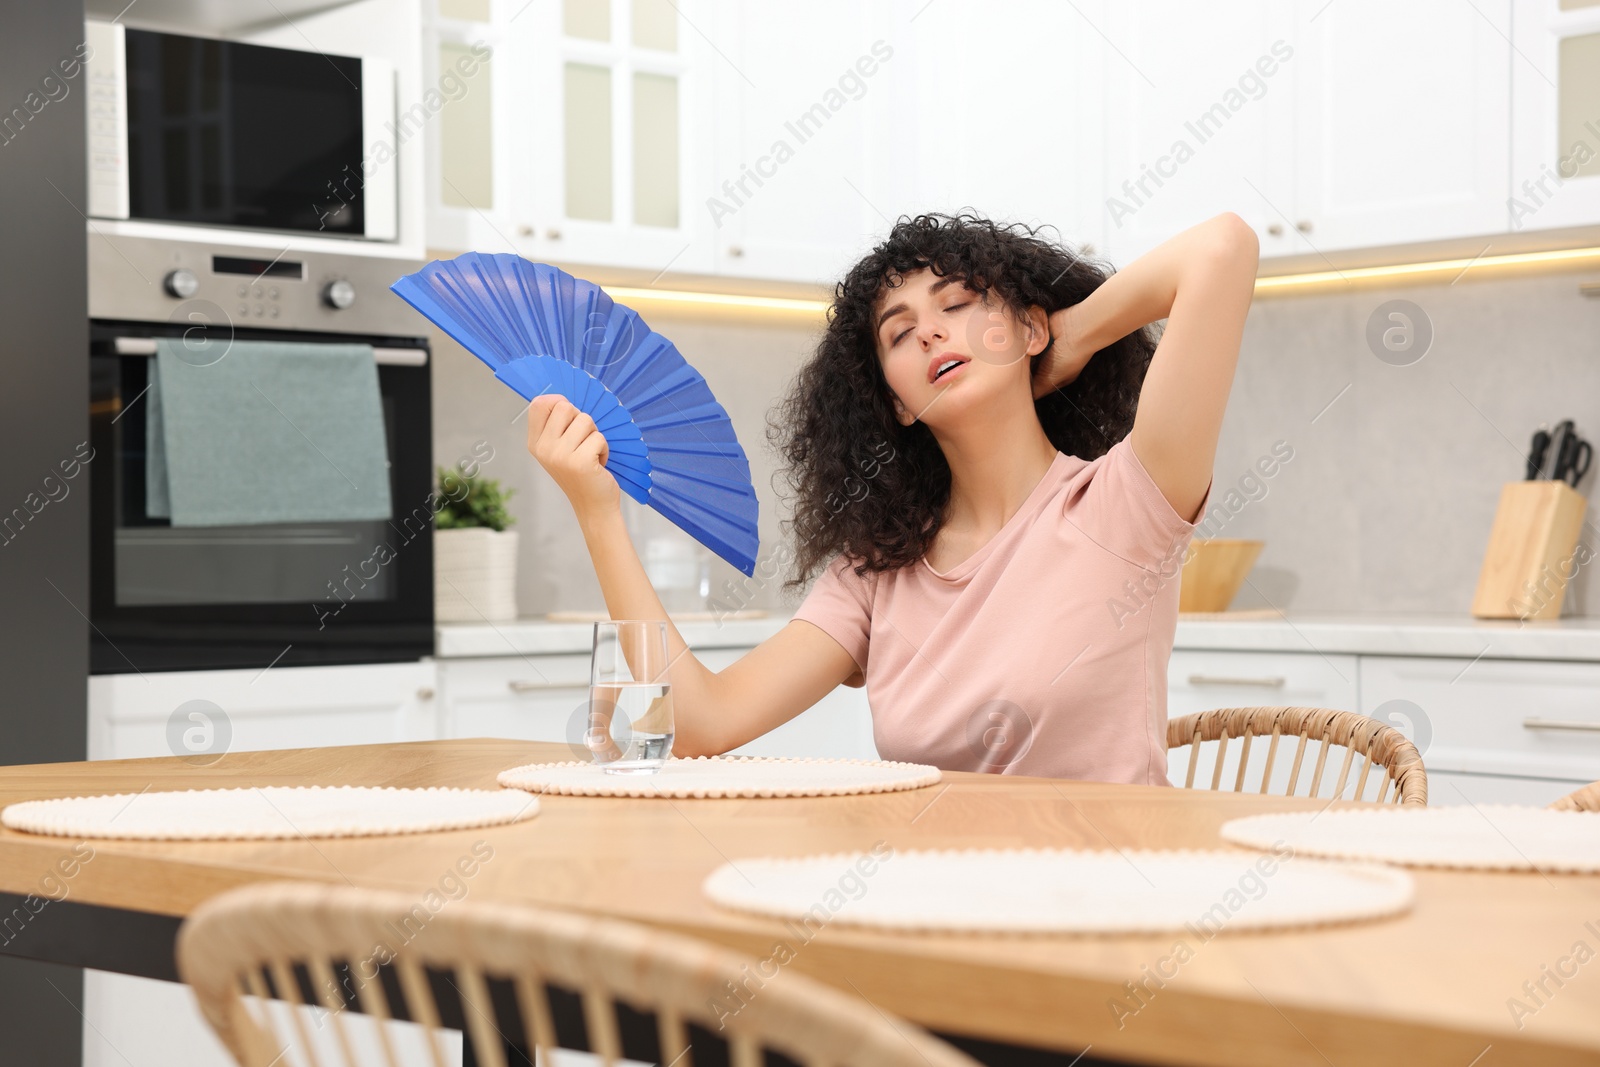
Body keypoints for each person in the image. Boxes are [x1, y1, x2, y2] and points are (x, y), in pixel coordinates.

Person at [525, 210, 1257, 784]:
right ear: (899, 403)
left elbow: (1222, 248)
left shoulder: (1123, 504)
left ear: (1028, 326)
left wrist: (1066, 335)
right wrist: (599, 512)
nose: (931, 330)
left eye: (961, 302)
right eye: (900, 333)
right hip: (932, 911)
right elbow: (702, 724)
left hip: (1109, 915)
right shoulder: (878, 571)